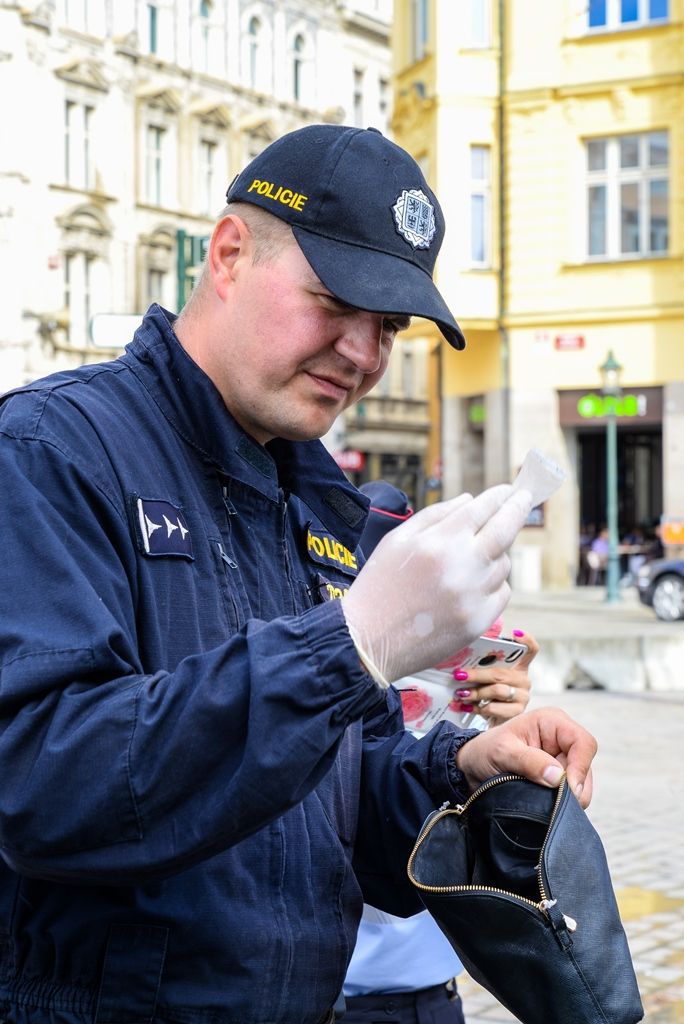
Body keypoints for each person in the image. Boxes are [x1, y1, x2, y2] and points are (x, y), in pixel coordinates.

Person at [0, 124, 596, 1024]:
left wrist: (459, 770)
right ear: (230, 255)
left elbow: (331, 823)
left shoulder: (306, 499)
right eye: (334, 302)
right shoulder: (52, 449)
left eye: (388, 326)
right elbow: (43, 787)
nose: (363, 353)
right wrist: (353, 644)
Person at [341, 482, 539, 1024]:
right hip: (325, 992)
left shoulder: (462, 687)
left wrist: (495, 729)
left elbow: (484, 856)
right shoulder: (305, 673)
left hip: (434, 990)